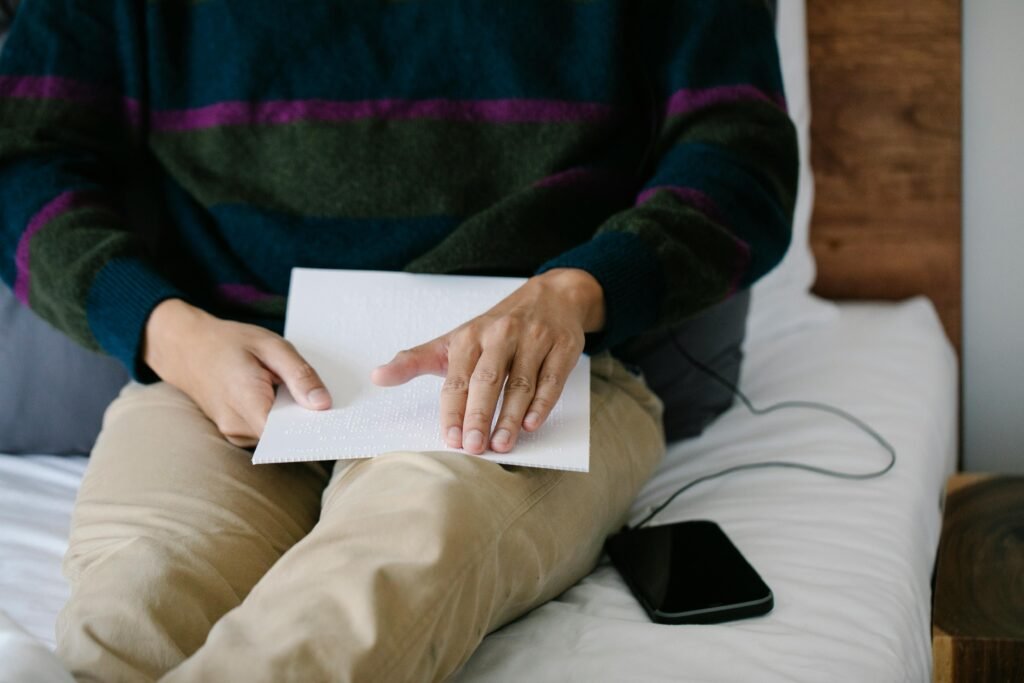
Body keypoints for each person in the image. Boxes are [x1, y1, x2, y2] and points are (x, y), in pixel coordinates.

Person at [0, 1, 797, 680]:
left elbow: (742, 154)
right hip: (223, 361)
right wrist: (169, 332)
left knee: (344, 615)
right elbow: (24, 161)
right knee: (127, 616)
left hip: (536, 371)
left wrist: (574, 291)